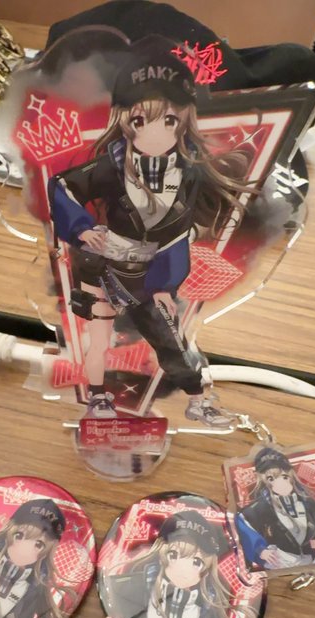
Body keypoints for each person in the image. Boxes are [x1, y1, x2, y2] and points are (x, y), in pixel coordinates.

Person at [48, 35, 249, 424]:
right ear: (125, 121)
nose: (155, 134)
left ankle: (197, 399)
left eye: (168, 120)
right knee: (98, 339)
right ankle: (97, 397)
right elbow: (63, 185)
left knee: (170, 340)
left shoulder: (193, 172)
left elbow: (188, 230)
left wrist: (167, 281)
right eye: (141, 121)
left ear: (183, 121)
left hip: (153, 276)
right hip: (106, 266)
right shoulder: (111, 166)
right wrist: (82, 228)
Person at [104, 510, 259, 618]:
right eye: (173, 555)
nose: (183, 570)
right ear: (161, 553)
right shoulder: (124, 588)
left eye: (196, 562)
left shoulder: (211, 615)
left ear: (207, 569)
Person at [236, 447, 315, 570]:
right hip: (282, 561)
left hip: (314, 557)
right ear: (264, 481)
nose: (280, 483)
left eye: (284, 477)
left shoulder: (307, 501)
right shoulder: (258, 508)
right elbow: (242, 524)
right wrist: (260, 550)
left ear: (291, 476)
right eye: (271, 478)